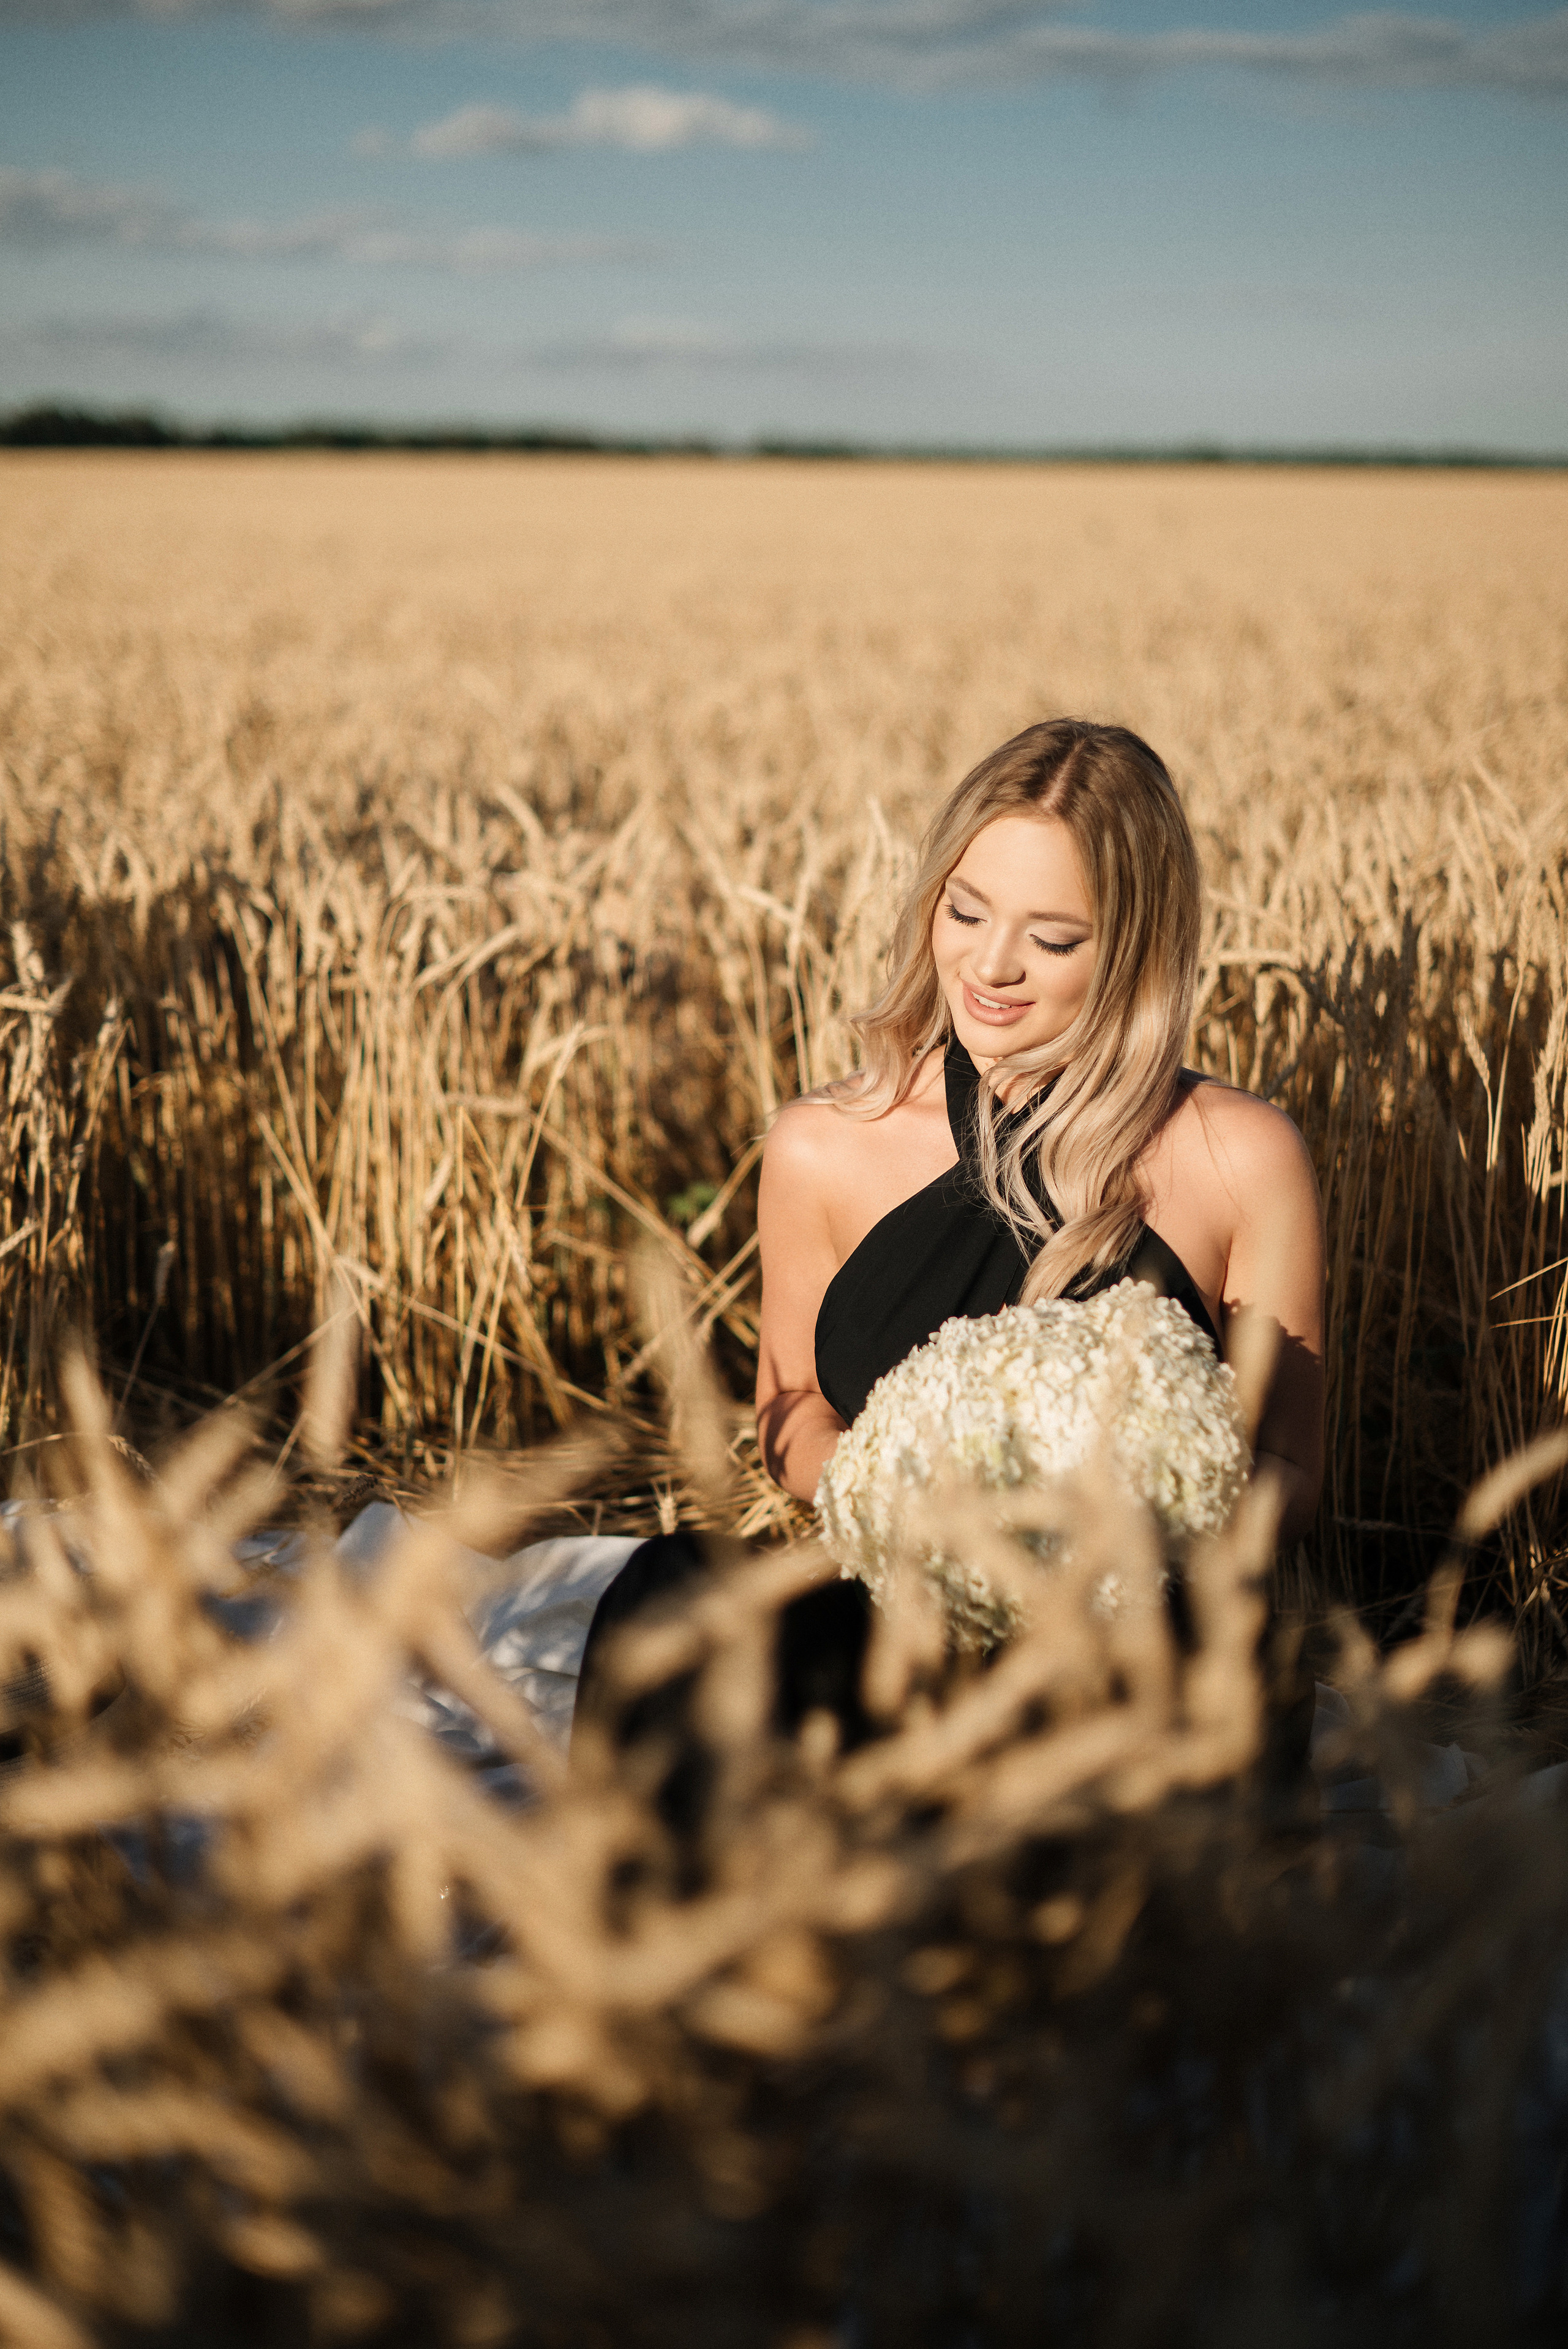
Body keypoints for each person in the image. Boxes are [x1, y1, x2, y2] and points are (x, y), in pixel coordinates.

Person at [438, 719, 1324, 1774]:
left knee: (1234, 1651)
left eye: (1053, 938)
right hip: (893, 1628)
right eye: (967, 909)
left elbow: (1288, 1465)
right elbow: (788, 1413)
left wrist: (1119, 1528)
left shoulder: (1243, 1157)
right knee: (667, 1591)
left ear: (1133, 948)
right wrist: (911, 1489)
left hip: (1132, 1655)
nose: (992, 965)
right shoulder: (825, 1145)